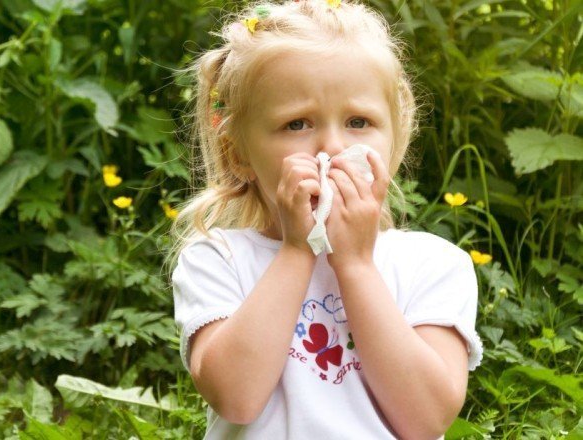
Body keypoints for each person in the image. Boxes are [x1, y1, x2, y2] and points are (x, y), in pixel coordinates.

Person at [167, 0, 483, 438]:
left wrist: (354, 265)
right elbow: (236, 398)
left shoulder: (431, 265)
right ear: (236, 153)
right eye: (297, 124)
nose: (332, 147)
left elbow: (426, 419)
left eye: (359, 121)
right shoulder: (218, 258)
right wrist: (298, 250)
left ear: (395, 139)